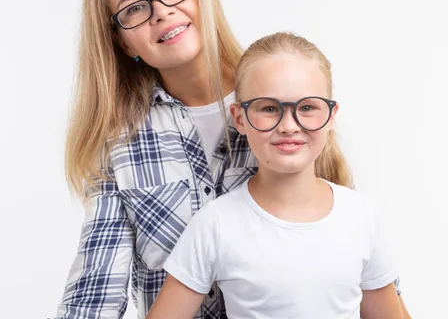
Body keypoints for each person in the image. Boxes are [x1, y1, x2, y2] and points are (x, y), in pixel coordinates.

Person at [55, 0, 411, 319]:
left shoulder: (286, 94)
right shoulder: (118, 146)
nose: (160, 11)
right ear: (123, 42)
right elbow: (96, 291)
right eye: (134, 9)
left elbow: (350, 260)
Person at [146, 32, 403, 319]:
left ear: (331, 116)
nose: (289, 125)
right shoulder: (215, 225)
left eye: (307, 107)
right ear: (240, 118)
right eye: (269, 108)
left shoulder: (361, 216)